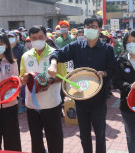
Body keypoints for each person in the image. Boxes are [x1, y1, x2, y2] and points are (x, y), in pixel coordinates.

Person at [48, 16, 114, 153]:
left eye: (94, 27)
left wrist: (104, 74)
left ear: (100, 29)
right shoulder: (76, 46)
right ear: (84, 29)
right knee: (84, 135)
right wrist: (53, 64)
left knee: (100, 134)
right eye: (88, 27)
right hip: (80, 98)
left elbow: (113, 70)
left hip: (99, 99)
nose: (90, 29)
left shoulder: (107, 49)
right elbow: (58, 53)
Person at [20, 25, 66, 153]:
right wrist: (24, 79)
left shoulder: (56, 54)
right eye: (34, 38)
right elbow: (22, 76)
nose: (37, 40)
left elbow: (62, 76)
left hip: (51, 103)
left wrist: (48, 82)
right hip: (32, 104)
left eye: (40, 37)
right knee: (36, 138)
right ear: (29, 39)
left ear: (46, 37)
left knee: (54, 137)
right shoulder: (26, 56)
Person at [7, 31, 27, 113]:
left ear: (16, 38)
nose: (10, 39)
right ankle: (13, 105)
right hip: (9, 73)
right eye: (8, 37)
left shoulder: (22, 48)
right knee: (11, 90)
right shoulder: (6, 48)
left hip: (20, 72)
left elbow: (26, 60)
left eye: (12, 37)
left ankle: (23, 105)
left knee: (22, 91)